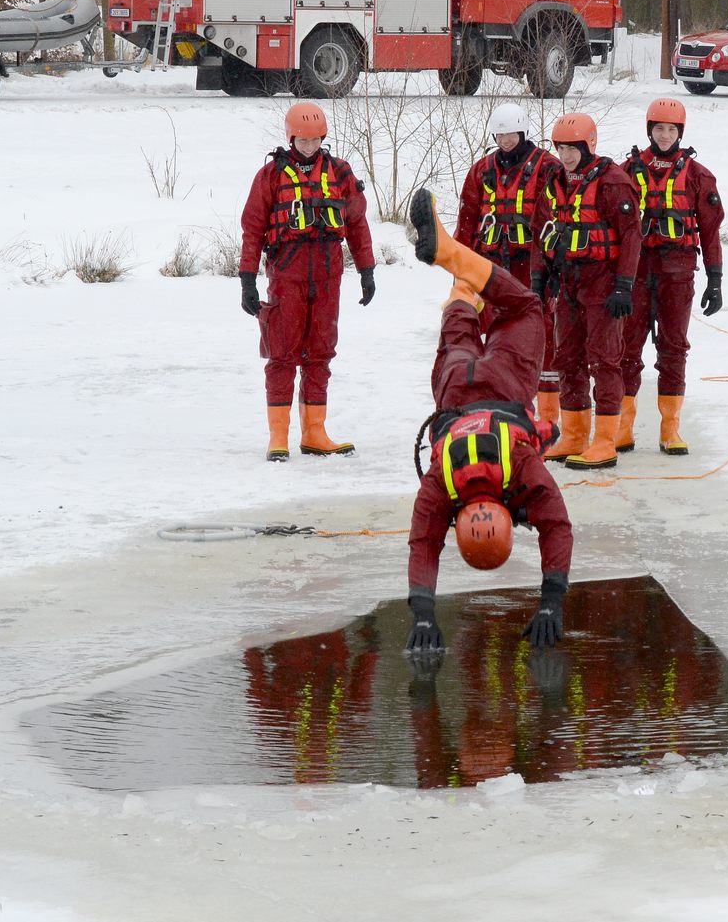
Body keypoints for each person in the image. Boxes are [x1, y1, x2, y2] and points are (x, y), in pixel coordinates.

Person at [405, 189, 573, 653]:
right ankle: (463, 290)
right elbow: (423, 542)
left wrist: (551, 601)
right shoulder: (444, 484)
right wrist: (422, 614)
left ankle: (452, 256)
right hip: (455, 388)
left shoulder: (519, 469)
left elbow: (557, 526)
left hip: (505, 385)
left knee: (523, 308)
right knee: (458, 326)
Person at [238, 101, 376, 460]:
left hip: (329, 274)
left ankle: (315, 431)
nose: (311, 146)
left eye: (317, 140)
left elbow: (358, 225)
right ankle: (278, 436)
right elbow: (252, 230)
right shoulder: (270, 176)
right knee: (282, 354)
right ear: (291, 137)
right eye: (304, 140)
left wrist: (367, 270)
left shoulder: (340, 173)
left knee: (320, 353)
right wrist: (247, 280)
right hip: (287, 274)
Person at [534, 112, 643, 470]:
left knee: (604, 359)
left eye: (572, 149)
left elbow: (630, 236)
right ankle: (575, 434)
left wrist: (624, 285)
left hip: (604, 283)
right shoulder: (554, 181)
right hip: (568, 282)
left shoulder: (614, 183)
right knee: (568, 358)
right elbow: (544, 229)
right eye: (561, 148)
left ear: (589, 145)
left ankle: (605, 440)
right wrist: (542, 276)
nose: (565, 156)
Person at [619, 98, 725, 455]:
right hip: (634, 272)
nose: (664, 136)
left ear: (680, 132)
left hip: (677, 272)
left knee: (674, 349)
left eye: (671, 129)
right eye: (658, 128)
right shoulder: (626, 171)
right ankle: (622, 427)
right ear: (649, 130)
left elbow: (710, 231)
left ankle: (670, 429)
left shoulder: (697, 176)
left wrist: (716, 278)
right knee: (626, 349)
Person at [454, 103, 562, 422]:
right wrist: (462, 274)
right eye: (500, 134)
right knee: (496, 337)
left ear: (522, 131)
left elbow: (559, 218)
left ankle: (548, 418)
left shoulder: (547, 168)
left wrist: (555, 270)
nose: (505, 140)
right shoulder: (482, 170)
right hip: (493, 267)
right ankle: (504, 410)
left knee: (541, 337)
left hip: (532, 267)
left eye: (510, 133)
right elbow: (467, 222)